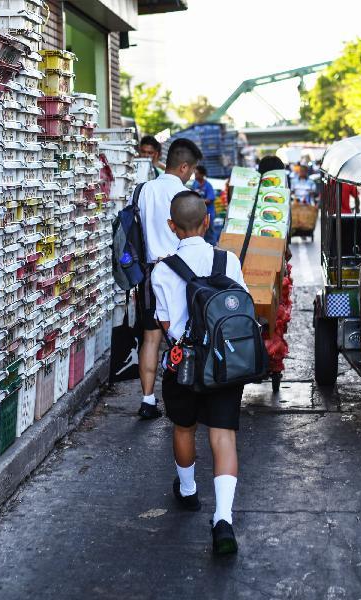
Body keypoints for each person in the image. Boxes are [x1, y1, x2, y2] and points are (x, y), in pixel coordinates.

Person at [151, 191, 248, 555]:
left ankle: (189, 492)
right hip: (224, 361)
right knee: (224, 436)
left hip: (183, 363)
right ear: (207, 222)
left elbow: (164, 321)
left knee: (184, 427)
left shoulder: (162, 270)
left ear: (172, 227)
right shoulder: (229, 261)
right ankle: (223, 519)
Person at [131, 138, 203, 420]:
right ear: (183, 166)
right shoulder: (188, 197)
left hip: (150, 274)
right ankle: (184, 393)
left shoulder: (144, 190)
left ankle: (148, 399)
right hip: (181, 273)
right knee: (184, 335)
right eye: (192, 169)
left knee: (150, 338)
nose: (192, 174)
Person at [190, 165, 218, 244]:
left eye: (197, 174)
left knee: (209, 230)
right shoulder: (194, 184)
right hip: (197, 213)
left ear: (202, 175)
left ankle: (212, 246)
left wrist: (198, 201)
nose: (195, 175)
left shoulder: (208, 185)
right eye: (195, 173)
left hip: (208, 213)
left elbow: (210, 199)